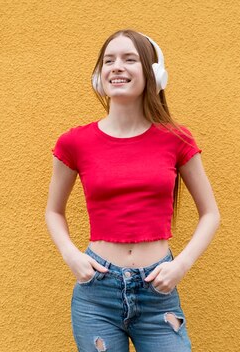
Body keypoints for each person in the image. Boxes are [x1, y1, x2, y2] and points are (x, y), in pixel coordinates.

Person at [45, 29, 221, 352]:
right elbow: (53, 211)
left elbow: (211, 214)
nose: (117, 67)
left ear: (154, 74)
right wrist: (71, 255)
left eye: (129, 59)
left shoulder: (177, 139)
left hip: (158, 296)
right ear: (99, 76)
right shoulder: (74, 143)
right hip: (96, 295)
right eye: (109, 61)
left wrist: (181, 265)